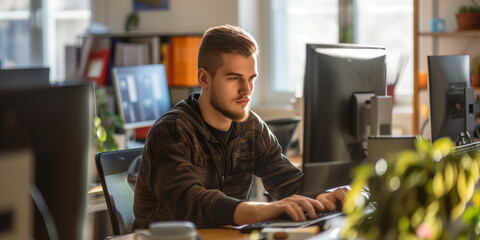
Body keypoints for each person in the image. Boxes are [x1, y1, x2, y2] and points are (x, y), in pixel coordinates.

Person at [132, 24, 346, 229]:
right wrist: (263, 210)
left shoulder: (250, 126)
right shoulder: (172, 130)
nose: (246, 90)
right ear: (204, 78)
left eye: (251, 78)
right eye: (234, 78)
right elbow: (191, 203)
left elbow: (286, 180)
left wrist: (322, 198)